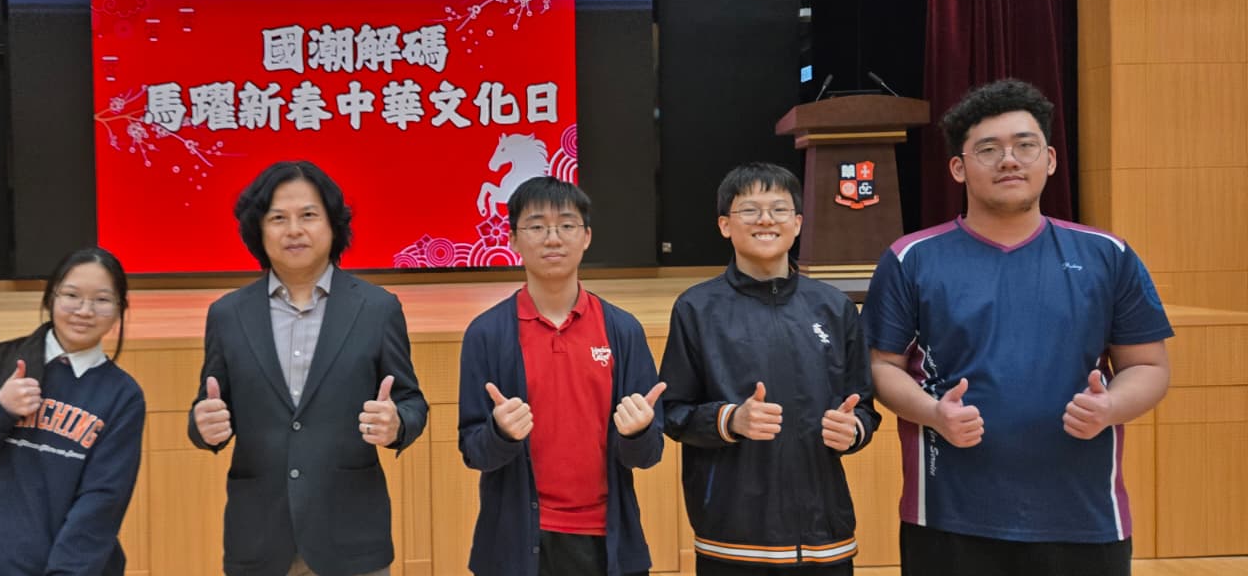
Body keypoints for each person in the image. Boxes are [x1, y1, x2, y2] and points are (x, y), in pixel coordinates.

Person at [862, 79, 1173, 576]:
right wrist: (934, 413)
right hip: (948, 515)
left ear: (1049, 160)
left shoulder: (1107, 255)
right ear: (959, 168)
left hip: (1083, 515)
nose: (1009, 160)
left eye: (1024, 146)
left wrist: (1111, 406)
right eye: (988, 149)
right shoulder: (911, 258)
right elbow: (882, 368)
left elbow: (1149, 366)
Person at [187, 160, 428, 576]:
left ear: (333, 225)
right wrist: (202, 426)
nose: (294, 230)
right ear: (258, 230)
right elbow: (209, 408)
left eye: (308, 215)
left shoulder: (377, 309)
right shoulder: (227, 315)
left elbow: (411, 402)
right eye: (278, 218)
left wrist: (397, 424)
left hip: (351, 536)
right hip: (259, 538)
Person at [658, 162, 879, 575]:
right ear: (725, 225)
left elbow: (863, 405)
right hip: (731, 535)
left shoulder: (834, 307)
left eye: (779, 209)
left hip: (825, 533)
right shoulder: (696, 308)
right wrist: (730, 420)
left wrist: (854, 430)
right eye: (750, 210)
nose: (765, 220)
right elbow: (672, 412)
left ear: (798, 223)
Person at [457, 176, 665, 576]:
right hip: (516, 542)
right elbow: (473, 451)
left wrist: (638, 433)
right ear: (513, 240)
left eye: (566, 225)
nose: (552, 238)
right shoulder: (486, 334)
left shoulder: (622, 330)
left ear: (586, 237)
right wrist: (501, 434)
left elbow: (648, 454)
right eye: (536, 226)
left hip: (607, 542)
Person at [0, 247, 145, 575]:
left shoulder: (122, 395)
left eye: (102, 300)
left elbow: (102, 503)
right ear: (50, 297)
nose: (85, 310)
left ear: (120, 309)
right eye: (71, 295)